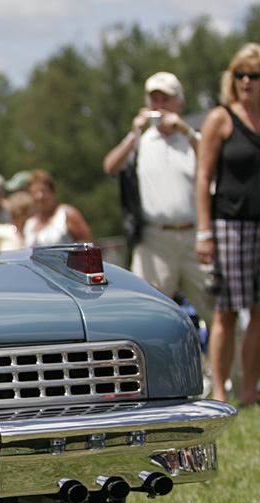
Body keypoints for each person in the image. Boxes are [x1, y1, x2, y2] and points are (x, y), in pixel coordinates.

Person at [103, 71, 209, 325]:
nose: (159, 106)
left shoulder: (193, 138)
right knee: (148, 315)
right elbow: (110, 166)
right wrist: (133, 134)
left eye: (166, 100)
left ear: (179, 104)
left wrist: (184, 129)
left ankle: (232, 367)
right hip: (154, 239)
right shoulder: (141, 140)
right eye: (154, 100)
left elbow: (214, 162)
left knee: (219, 314)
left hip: (197, 238)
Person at [195, 43, 260, 406]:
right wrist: (205, 232)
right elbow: (203, 177)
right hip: (229, 226)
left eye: (254, 75)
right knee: (227, 312)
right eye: (240, 74)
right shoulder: (221, 118)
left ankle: (250, 390)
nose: (247, 81)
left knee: (259, 312)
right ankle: (221, 391)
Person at [22, 169, 93, 247]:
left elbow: (87, 244)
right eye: (34, 192)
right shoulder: (29, 224)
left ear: (53, 192)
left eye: (44, 191)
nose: (40, 197)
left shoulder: (66, 214)